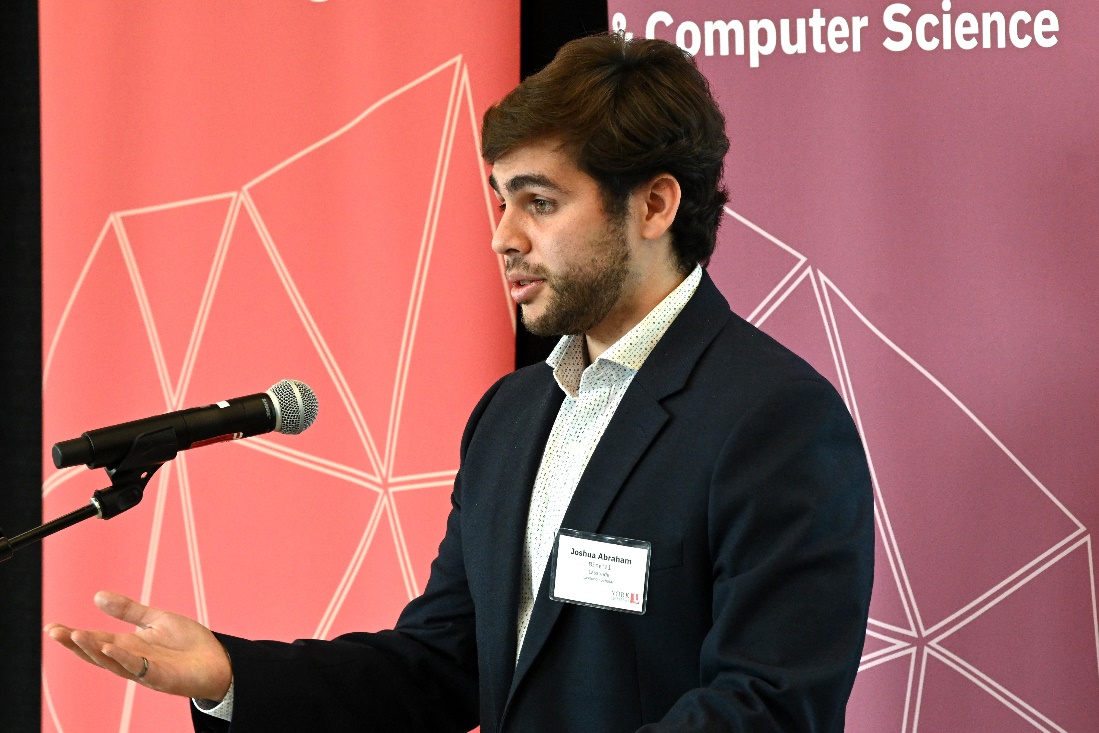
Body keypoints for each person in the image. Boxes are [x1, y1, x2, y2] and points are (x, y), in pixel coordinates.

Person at [46, 33, 874, 732]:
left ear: (654, 205)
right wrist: (230, 673)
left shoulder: (776, 420)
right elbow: (443, 660)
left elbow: (769, 706)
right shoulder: (511, 414)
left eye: (539, 202)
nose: (503, 237)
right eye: (499, 199)